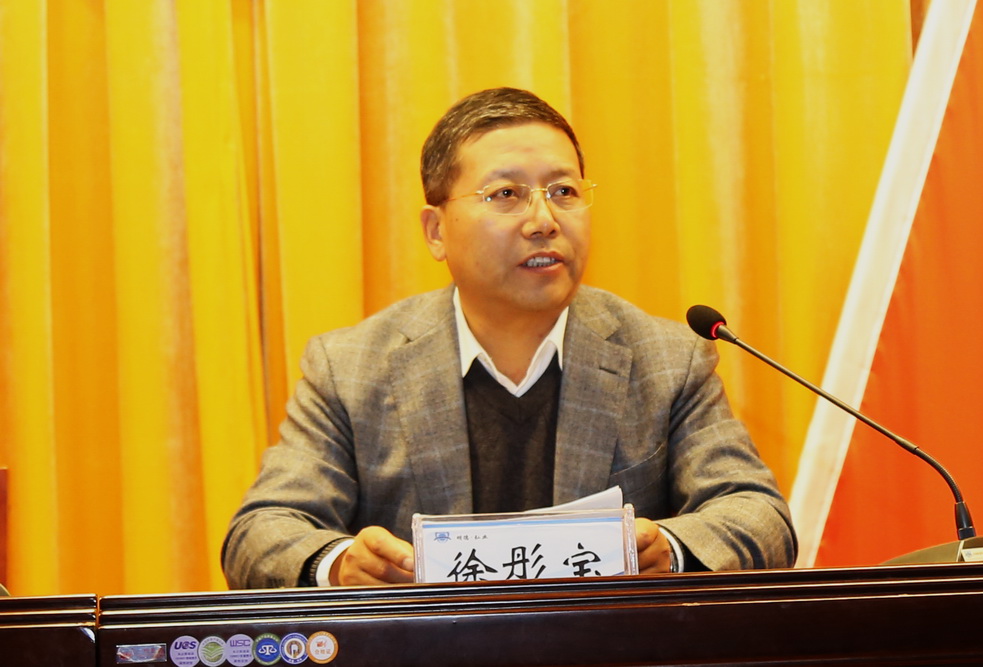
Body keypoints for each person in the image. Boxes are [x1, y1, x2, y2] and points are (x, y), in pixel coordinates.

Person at [222, 87, 796, 589]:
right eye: (506, 195)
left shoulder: (667, 359)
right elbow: (260, 532)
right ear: (436, 231)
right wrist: (341, 563)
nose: (544, 220)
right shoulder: (350, 368)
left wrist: (668, 549)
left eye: (564, 191)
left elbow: (759, 516)